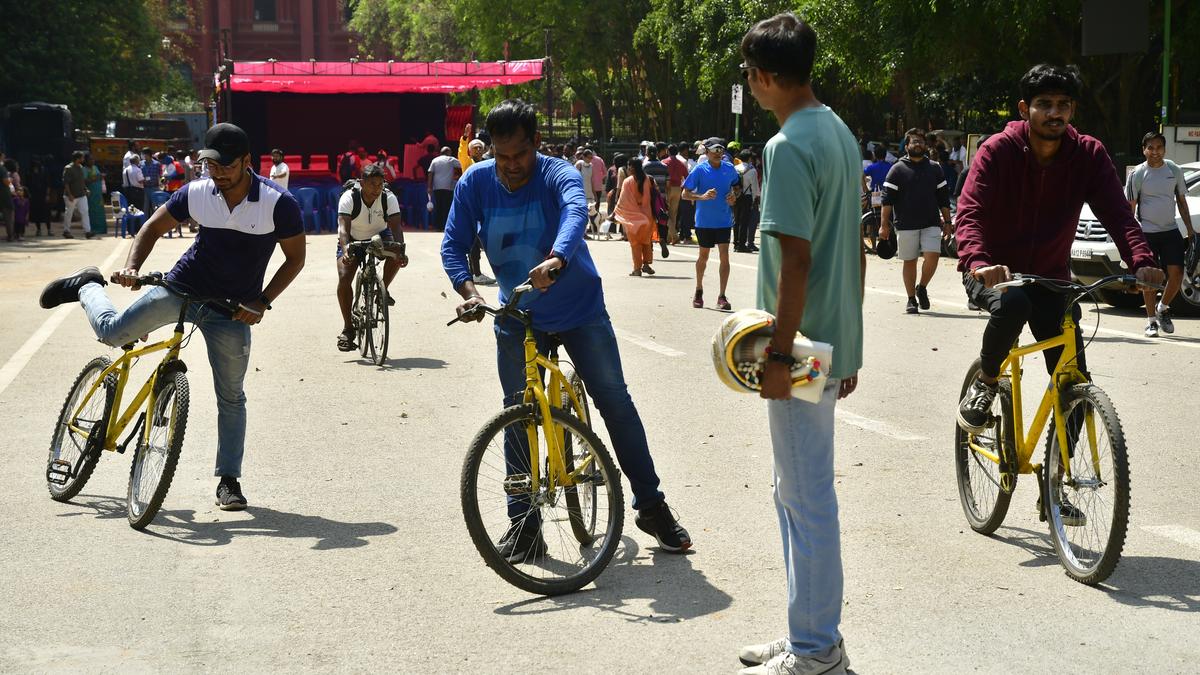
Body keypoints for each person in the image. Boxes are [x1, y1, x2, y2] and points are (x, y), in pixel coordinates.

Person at [441, 99, 692, 559]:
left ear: (536, 143)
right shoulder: (475, 182)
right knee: (516, 415)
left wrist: (557, 257)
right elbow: (453, 245)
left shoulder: (558, 173)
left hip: (579, 309)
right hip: (516, 314)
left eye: (519, 155)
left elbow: (577, 213)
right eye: (501, 157)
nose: (511, 167)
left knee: (615, 401)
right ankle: (524, 523)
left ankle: (651, 505)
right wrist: (468, 293)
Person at [38, 122, 306, 510]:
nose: (218, 173)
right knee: (113, 333)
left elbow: (295, 259)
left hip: (231, 310)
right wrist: (132, 266)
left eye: (226, 166)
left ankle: (228, 480)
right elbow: (152, 227)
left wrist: (262, 302)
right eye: (211, 165)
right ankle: (86, 286)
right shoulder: (197, 192)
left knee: (231, 397)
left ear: (248, 162)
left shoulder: (278, 204)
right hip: (181, 289)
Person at [735, 13, 864, 675]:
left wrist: (780, 357)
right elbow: (855, 252)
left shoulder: (787, 147)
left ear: (761, 76)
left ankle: (817, 649)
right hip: (830, 339)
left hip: (802, 345)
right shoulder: (839, 131)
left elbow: (797, 263)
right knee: (794, 490)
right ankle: (806, 631)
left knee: (806, 495)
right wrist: (853, 346)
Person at [955, 65, 1161, 438]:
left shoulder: (1088, 155)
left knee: (1075, 386)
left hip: (1050, 278)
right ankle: (985, 382)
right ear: (1024, 109)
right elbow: (969, 212)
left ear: (1072, 110)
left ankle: (1054, 489)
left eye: (1063, 105)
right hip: (994, 274)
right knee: (1014, 304)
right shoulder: (997, 151)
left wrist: (1142, 262)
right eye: (1044, 104)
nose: (1055, 113)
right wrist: (979, 261)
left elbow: (1118, 214)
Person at [1125, 132, 1197, 336]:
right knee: (1150, 278)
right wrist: (1129, 238)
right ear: (1144, 149)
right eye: (1151, 148)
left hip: (1170, 231)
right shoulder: (1137, 174)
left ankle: (1162, 308)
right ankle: (1150, 322)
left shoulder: (1173, 169)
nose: (1155, 152)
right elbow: (1130, 208)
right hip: (1146, 233)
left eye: (1159, 148)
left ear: (1164, 149)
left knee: (1177, 274)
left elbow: (1182, 202)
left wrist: (1190, 231)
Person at [335, 163, 409, 351]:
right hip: (352, 239)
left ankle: (382, 291)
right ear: (362, 183)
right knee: (344, 278)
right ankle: (348, 329)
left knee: (395, 254)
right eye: (372, 184)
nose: (377, 189)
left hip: (379, 236)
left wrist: (400, 249)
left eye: (380, 184)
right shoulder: (349, 197)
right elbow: (343, 228)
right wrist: (345, 249)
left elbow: (396, 226)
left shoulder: (388, 197)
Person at [879, 128, 952, 313]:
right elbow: (887, 201)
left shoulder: (935, 168)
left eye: (920, 141)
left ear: (926, 145)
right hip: (905, 224)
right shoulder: (897, 169)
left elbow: (943, 198)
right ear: (907, 146)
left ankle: (922, 287)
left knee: (933, 256)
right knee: (909, 261)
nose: (917, 144)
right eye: (914, 142)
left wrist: (948, 222)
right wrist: (883, 226)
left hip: (931, 222)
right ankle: (911, 299)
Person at [682, 136, 740, 310]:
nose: (718, 153)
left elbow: (737, 188)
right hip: (704, 221)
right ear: (706, 152)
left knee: (725, 256)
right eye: (714, 150)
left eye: (720, 150)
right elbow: (685, 194)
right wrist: (702, 196)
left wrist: (733, 197)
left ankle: (722, 296)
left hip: (723, 220)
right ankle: (699, 290)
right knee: (704, 257)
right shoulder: (700, 170)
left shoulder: (730, 169)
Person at [613, 156, 656, 276]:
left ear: (632, 167)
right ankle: (646, 265)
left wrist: (615, 213)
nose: (628, 168)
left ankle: (637, 269)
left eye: (629, 166)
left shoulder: (628, 181)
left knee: (635, 244)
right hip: (647, 216)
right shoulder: (648, 179)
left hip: (633, 218)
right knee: (646, 242)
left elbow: (622, 201)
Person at [426, 146, 463, 231]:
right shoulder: (451, 159)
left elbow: (430, 173)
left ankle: (438, 226)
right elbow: (462, 165)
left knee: (438, 207)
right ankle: (445, 226)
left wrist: (429, 186)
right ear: (448, 152)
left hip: (437, 187)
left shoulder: (435, 160)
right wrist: (458, 176)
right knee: (446, 207)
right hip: (448, 187)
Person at [733, 148, 761, 252]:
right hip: (747, 196)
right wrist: (755, 198)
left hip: (736, 195)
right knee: (744, 221)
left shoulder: (735, 168)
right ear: (749, 158)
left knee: (736, 220)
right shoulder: (752, 170)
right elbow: (754, 187)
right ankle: (742, 245)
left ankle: (735, 243)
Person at [662, 143, 687, 244]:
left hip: (667, 188)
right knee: (673, 213)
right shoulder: (681, 163)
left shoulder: (664, 162)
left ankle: (673, 235)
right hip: (677, 188)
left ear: (667, 151)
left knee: (665, 213)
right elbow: (687, 176)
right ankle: (669, 237)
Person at [60, 151, 89, 239]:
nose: (83, 159)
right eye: (82, 158)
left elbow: (81, 181)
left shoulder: (80, 167)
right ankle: (66, 231)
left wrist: (85, 189)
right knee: (69, 213)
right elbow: (66, 183)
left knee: (85, 212)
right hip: (71, 195)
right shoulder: (68, 168)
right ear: (77, 159)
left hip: (81, 194)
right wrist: (70, 194)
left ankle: (88, 231)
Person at [82, 153, 106, 238]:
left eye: (93, 159)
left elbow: (99, 177)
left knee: (99, 211)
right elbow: (84, 181)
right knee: (92, 211)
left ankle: (101, 229)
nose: (92, 161)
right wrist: (94, 178)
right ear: (86, 161)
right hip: (90, 194)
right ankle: (93, 229)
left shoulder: (95, 168)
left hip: (98, 193)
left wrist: (100, 177)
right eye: (90, 159)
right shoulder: (84, 169)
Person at [27, 158, 51, 236]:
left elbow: (47, 184)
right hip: (34, 196)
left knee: (46, 213)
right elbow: (28, 185)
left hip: (43, 195)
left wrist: (47, 195)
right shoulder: (29, 174)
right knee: (36, 213)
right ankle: (38, 229)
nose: (35, 169)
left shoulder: (44, 173)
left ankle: (49, 230)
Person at [0, 152, 13, 242]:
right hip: (4, 194)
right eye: (3, 157)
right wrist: (10, 181)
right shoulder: (2, 169)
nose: (4, 159)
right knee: (8, 215)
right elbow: (5, 181)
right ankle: (11, 235)